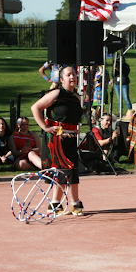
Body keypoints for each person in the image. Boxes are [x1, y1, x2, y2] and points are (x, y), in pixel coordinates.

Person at [31, 66, 84, 216]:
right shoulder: (56, 93)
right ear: (61, 79)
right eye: (68, 75)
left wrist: (73, 129)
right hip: (55, 138)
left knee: (68, 170)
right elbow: (35, 108)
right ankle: (75, 203)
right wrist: (45, 127)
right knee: (65, 169)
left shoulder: (77, 97)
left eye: (74, 74)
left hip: (71, 138)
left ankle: (55, 204)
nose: (72, 77)